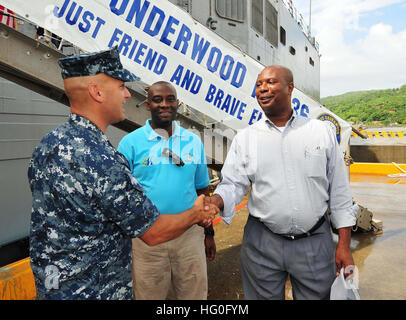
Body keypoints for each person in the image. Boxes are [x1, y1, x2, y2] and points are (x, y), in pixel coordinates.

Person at [27, 47, 218, 300]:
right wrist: (197, 212)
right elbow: (152, 231)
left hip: (57, 286)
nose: (127, 94)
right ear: (97, 92)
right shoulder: (101, 158)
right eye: (120, 86)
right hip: (95, 288)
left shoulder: (50, 143)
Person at [208, 65, 359, 300]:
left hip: (314, 243)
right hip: (262, 243)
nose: (262, 89)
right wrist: (216, 200)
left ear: (290, 88)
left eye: (270, 82)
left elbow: (339, 190)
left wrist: (344, 245)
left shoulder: (320, 132)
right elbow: (233, 184)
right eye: (258, 85)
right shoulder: (246, 138)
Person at [117, 81, 216, 300]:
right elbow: (122, 196)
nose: (164, 104)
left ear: (178, 104)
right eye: (157, 99)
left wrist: (209, 234)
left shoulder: (192, 141)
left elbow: (202, 189)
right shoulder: (129, 144)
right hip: (147, 239)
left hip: (189, 237)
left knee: (194, 295)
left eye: (170, 99)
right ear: (147, 105)